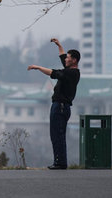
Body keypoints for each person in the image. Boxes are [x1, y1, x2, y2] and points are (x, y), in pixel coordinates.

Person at [27, 38, 80, 170]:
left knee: (58, 135)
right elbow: (63, 58)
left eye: (68, 58)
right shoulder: (69, 70)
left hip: (61, 107)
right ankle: (59, 161)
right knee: (56, 134)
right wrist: (59, 46)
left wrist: (38, 67)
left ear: (74, 60)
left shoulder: (71, 73)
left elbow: (53, 73)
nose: (65, 59)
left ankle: (60, 162)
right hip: (59, 106)